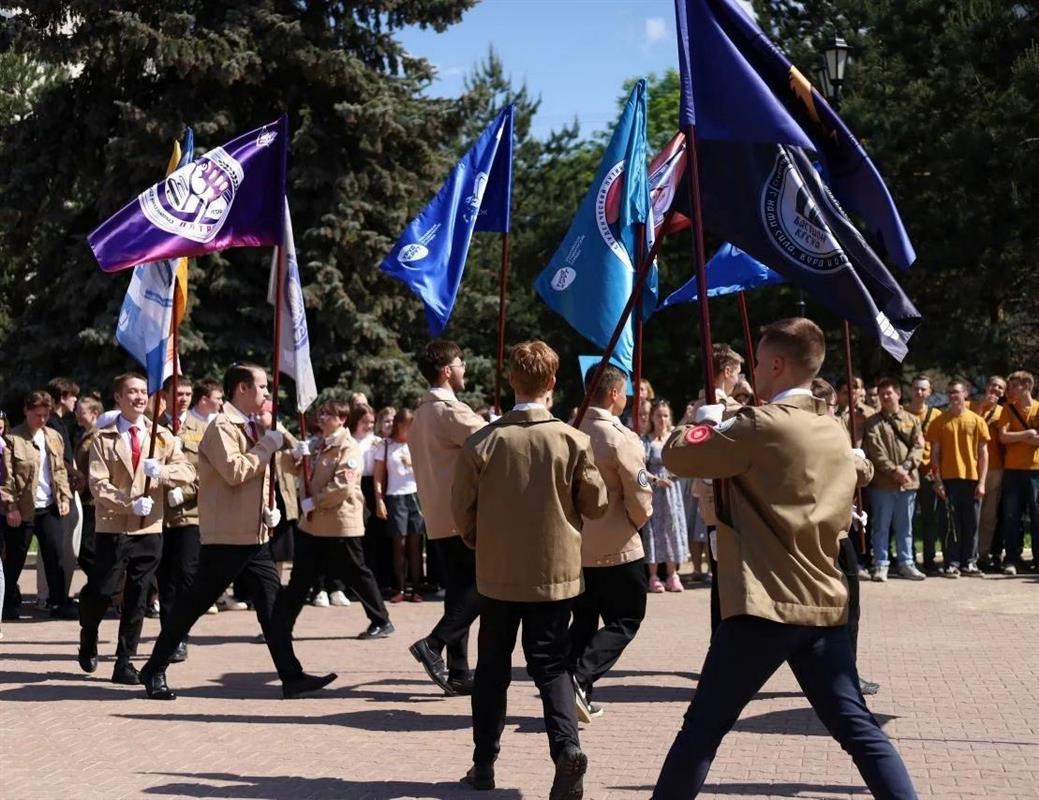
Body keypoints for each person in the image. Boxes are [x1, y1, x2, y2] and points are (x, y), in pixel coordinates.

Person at [652, 318, 917, 799]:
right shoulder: (833, 429)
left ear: (777, 365)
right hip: (823, 602)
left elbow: (679, 456)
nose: (753, 370)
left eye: (758, 362)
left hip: (766, 603)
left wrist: (703, 422)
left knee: (701, 732)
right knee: (859, 730)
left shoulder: (760, 425)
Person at [452, 340, 608, 798]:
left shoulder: (483, 441)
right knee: (552, 668)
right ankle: (566, 750)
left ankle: (484, 764)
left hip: (497, 575)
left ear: (511, 380)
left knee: (492, 670)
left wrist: (484, 544)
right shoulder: (572, 440)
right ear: (553, 382)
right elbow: (596, 504)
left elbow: (462, 512)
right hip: (554, 575)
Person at [138, 362, 335, 701]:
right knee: (193, 605)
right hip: (227, 537)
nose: (267, 393)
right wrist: (267, 445)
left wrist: (266, 509)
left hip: (252, 535)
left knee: (273, 608)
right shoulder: (221, 426)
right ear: (242, 389)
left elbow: (259, 475)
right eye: (262, 386)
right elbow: (234, 471)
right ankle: (154, 668)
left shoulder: (251, 425)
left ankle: (291, 676)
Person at [77, 373, 195, 684]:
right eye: (132, 392)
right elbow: (98, 484)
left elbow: (187, 470)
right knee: (103, 590)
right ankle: (89, 631)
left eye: (143, 391)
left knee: (139, 594)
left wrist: (163, 472)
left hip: (149, 528)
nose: (140, 397)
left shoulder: (161, 436)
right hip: (114, 527)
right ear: (118, 397)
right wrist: (128, 504)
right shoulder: (103, 439)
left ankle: (124, 660)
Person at [570, 362, 652, 723]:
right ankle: (580, 676)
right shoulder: (620, 436)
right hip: (618, 544)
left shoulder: (571, 428)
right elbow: (640, 495)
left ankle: (574, 691)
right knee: (626, 619)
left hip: (579, 543)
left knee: (584, 620)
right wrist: (636, 522)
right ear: (614, 394)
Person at [272, 399, 394, 643]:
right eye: (322, 413)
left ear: (342, 419)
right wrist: (294, 455)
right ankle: (281, 626)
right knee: (300, 577)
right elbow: (293, 469)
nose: (322, 418)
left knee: (357, 573)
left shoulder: (347, 447)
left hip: (340, 524)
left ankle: (381, 620)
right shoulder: (319, 444)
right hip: (314, 525)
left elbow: (343, 486)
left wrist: (314, 502)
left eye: (328, 415)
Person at [408, 339, 487, 697]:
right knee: (484, 586)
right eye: (459, 363)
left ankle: (458, 671)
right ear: (445, 371)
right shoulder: (450, 411)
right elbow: (492, 443)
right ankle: (433, 644)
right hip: (463, 514)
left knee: (459, 592)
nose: (463, 368)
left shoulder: (421, 413)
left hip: (438, 516)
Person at [812, 377, 880, 696]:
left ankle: (834, 673)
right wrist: (856, 457)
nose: (835, 412)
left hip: (826, 528)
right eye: (832, 406)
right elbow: (864, 472)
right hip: (832, 533)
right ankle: (843, 675)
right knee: (845, 606)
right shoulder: (826, 432)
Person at [1, 390, 77, 620]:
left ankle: (58, 602)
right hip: (22, 509)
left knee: (55, 554)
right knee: (15, 558)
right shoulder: (13, 439)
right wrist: (11, 506)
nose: (41, 419)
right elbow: (7, 477)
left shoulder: (53, 436)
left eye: (45, 415)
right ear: (26, 411)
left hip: (49, 507)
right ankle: (7, 602)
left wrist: (64, 498)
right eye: (37, 415)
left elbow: (60, 470)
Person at [156, 376, 210, 663]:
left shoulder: (203, 430)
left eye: (188, 394)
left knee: (187, 576)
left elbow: (209, 473)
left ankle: (181, 635)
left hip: (190, 514)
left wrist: (186, 492)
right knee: (165, 579)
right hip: (158, 515)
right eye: (178, 393)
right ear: (165, 395)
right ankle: (170, 635)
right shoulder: (152, 427)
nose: (184, 398)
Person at [862, 378, 926, 581]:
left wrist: (905, 468)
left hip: (908, 482)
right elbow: (875, 451)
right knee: (880, 526)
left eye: (889, 393)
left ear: (898, 394)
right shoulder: (872, 422)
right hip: (883, 484)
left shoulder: (912, 420)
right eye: (882, 394)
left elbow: (919, 446)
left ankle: (906, 563)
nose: (885, 397)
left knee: (905, 527)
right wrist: (893, 470)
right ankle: (881, 564)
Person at [926, 379, 989, 577]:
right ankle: (951, 563)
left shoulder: (977, 421)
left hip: (972, 479)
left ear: (965, 394)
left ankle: (969, 562)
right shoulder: (939, 422)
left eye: (957, 392)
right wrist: (937, 481)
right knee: (949, 524)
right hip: (948, 480)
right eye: (950, 392)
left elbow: (983, 454)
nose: (953, 396)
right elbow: (934, 455)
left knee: (972, 524)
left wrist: (982, 482)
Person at [373, 408, 425, 603]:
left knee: (415, 544)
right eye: (407, 426)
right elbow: (378, 476)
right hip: (395, 497)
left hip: (415, 496)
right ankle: (400, 588)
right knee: (399, 544)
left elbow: (428, 470)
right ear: (399, 425)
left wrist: (414, 462)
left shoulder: (417, 444)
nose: (410, 430)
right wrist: (379, 500)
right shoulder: (385, 445)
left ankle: (416, 588)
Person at [642, 400, 688, 593]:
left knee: (672, 530)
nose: (662, 419)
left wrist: (675, 473)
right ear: (652, 417)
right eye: (658, 415)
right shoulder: (645, 441)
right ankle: (653, 576)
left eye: (665, 415)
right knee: (653, 533)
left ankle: (672, 574)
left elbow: (685, 463)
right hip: (654, 495)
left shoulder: (674, 439)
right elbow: (639, 470)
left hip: (672, 494)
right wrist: (656, 480)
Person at [996, 371, 1039, 576]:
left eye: (1014, 386)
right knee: (1011, 516)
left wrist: (1018, 437)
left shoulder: (1038, 408)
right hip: (1012, 470)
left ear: (1026, 386)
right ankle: (1011, 559)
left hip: (1036, 471)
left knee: (1037, 515)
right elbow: (1003, 437)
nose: (1010, 390)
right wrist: (1027, 434)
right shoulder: (1008, 409)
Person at [906, 375, 945, 574]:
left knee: (930, 518)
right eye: (916, 388)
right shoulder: (903, 413)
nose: (919, 392)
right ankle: (909, 558)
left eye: (923, 389)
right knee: (908, 519)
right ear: (910, 390)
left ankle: (929, 559)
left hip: (929, 472)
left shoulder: (937, 415)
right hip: (909, 473)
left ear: (930, 392)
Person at [969, 376, 1006, 570]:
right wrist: (982, 406)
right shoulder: (970, 406)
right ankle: (969, 554)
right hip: (970, 467)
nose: (996, 389)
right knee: (971, 514)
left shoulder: (1003, 411)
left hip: (995, 468)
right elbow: (969, 431)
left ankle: (983, 555)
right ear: (986, 386)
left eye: (1000, 387)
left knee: (989, 516)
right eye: (993, 385)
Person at [73, 397, 103, 580]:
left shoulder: (98, 436)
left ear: (94, 413)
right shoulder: (85, 435)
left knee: (86, 547)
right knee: (85, 548)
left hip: (93, 499)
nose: (77, 414)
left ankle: (107, 585)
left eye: (81, 411)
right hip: (83, 497)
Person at [836, 376, 875, 448]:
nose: (850, 397)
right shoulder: (830, 414)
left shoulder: (867, 412)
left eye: (852, 393)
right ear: (837, 393)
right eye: (845, 393)